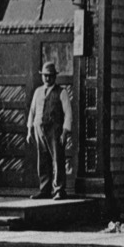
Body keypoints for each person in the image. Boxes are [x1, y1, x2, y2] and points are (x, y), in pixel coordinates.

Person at [26, 61, 73, 200]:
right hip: (39, 129)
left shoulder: (61, 92)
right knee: (43, 160)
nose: (47, 78)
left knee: (57, 159)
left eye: (50, 76)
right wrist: (29, 130)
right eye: (45, 76)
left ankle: (59, 189)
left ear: (55, 77)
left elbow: (68, 113)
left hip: (55, 130)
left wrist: (65, 132)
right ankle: (44, 189)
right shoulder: (38, 91)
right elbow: (32, 111)